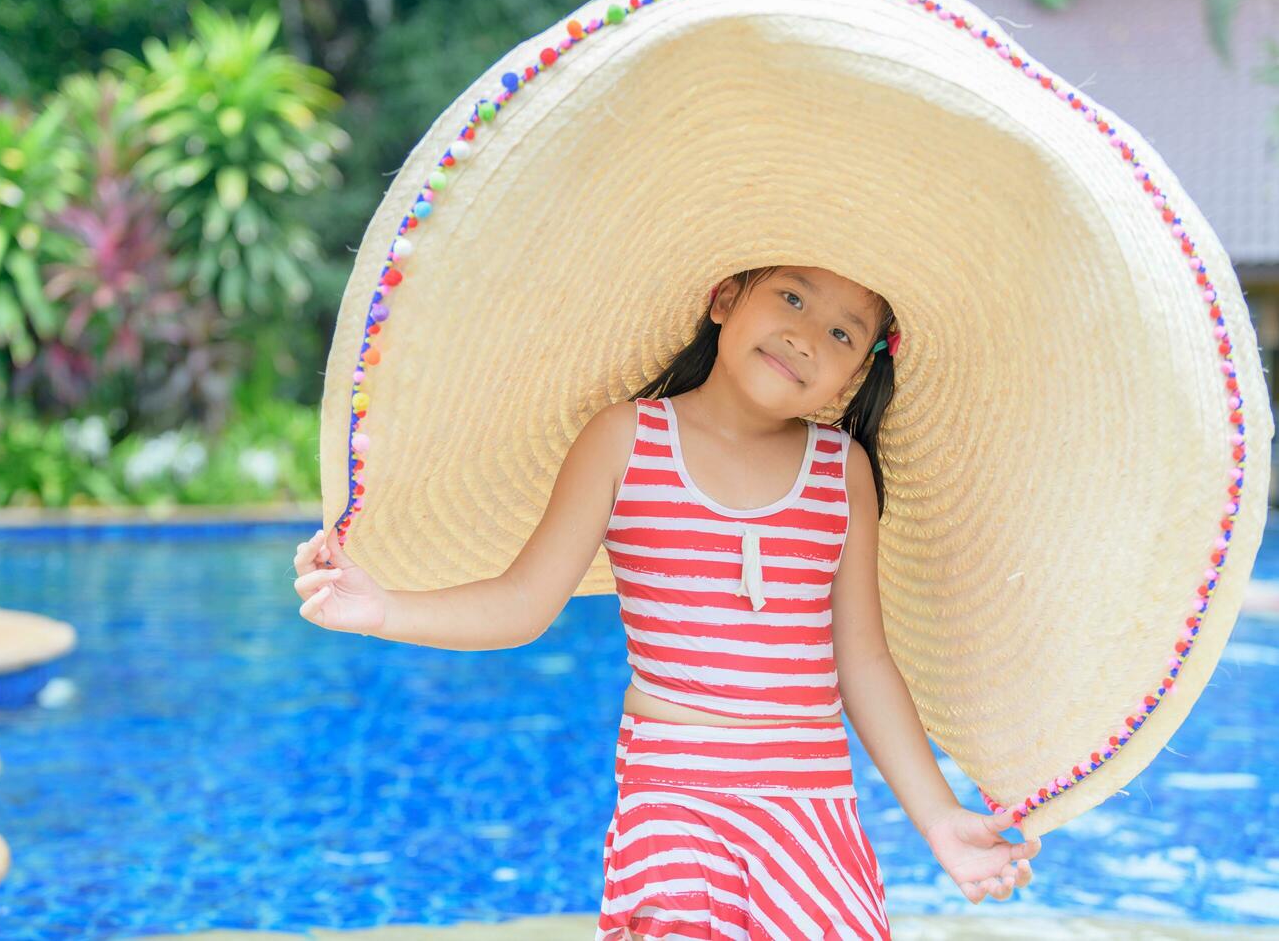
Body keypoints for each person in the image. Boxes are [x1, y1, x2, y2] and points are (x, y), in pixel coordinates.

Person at [293, 264, 1041, 939]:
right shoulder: (628, 439)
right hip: (675, 798)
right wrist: (384, 608)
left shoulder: (841, 470)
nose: (806, 335)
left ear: (851, 377)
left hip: (814, 806)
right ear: (724, 298)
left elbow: (865, 661)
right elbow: (522, 604)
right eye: (791, 297)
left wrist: (939, 818)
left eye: (843, 332)